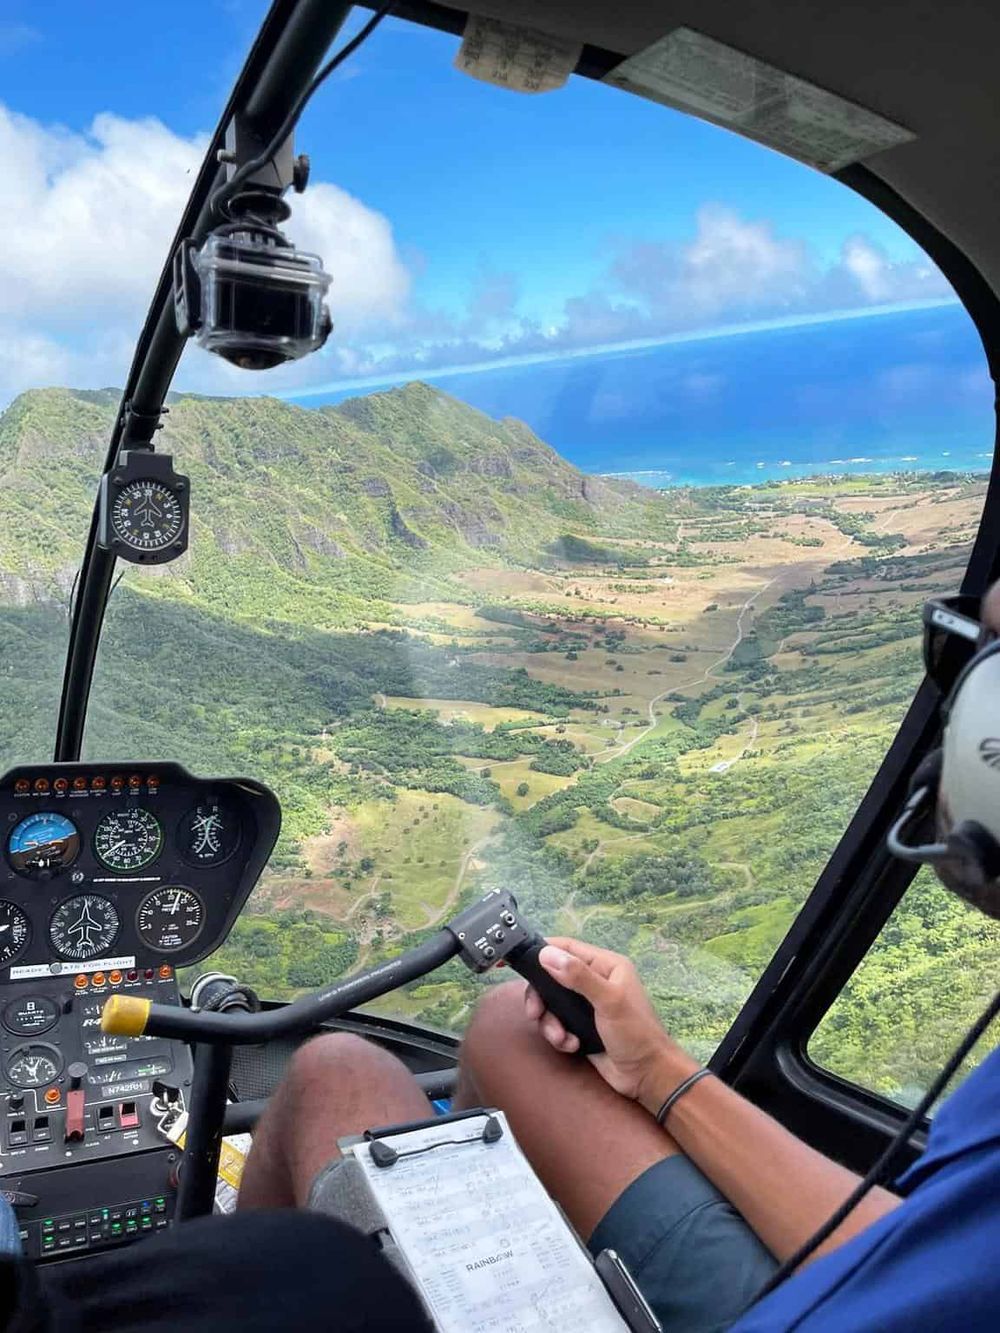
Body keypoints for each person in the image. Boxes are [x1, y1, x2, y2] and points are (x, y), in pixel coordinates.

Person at [3, 580, 999, 1331]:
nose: (957, 692)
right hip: (869, 1280)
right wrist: (653, 1068)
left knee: (327, 1107)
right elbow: (922, 1251)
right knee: (502, 1031)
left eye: (982, 654)